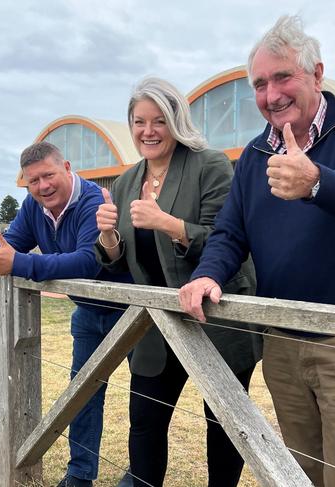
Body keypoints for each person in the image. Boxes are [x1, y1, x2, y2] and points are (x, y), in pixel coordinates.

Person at [179, 15, 335, 487]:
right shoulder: (255, 156)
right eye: (260, 84)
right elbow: (229, 234)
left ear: (317, 74)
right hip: (282, 342)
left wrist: (317, 182)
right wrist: (209, 275)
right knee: (295, 474)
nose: (271, 94)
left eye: (284, 76)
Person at [95, 77, 261, 487]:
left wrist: (169, 225)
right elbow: (121, 264)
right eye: (139, 122)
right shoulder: (126, 181)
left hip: (216, 321)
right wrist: (109, 239)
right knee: (145, 423)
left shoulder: (211, 164)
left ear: (176, 122)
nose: (148, 131)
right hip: (155, 327)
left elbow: (228, 242)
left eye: (159, 122)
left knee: (223, 427)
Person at [0, 141, 132, 487]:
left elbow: (88, 262)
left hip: (135, 312)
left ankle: (140, 475)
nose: (42, 186)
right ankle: (79, 475)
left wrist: (19, 262)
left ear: (68, 168)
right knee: (83, 396)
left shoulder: (92, 200)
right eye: (33, 181)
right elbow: (12, 242)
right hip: (88, 312)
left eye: (48, 175)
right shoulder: (33, 206)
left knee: (145, 399)